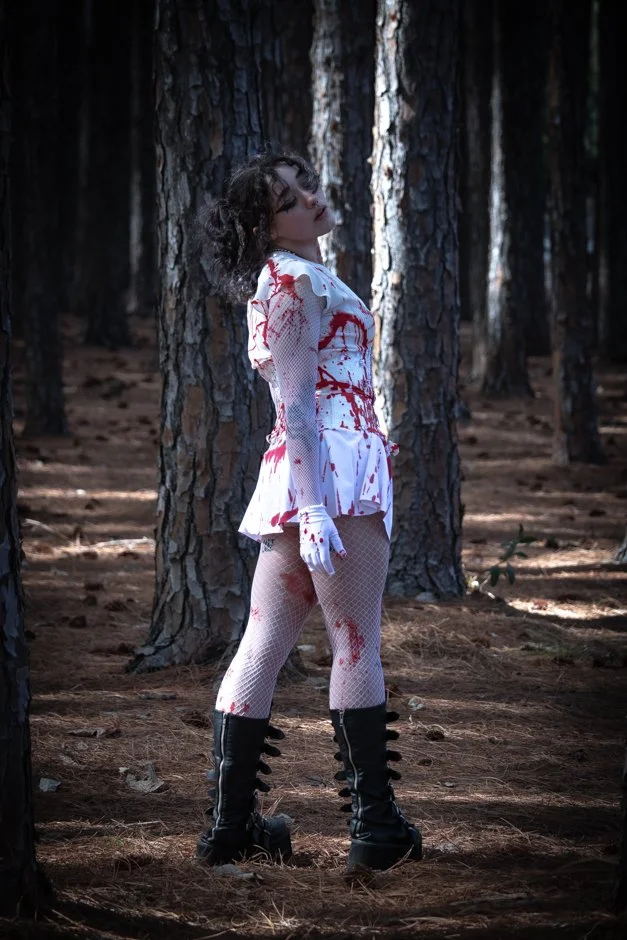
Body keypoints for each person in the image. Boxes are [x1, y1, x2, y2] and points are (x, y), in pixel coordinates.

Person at [196, 150, 422, 872]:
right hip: (331, 471)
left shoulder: (298, 277)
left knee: (262, 645)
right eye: (288, 200)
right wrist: (317, 508)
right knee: (354, 643)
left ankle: (230, 831)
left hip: (308, 471)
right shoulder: (292, 280)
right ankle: (375, 828)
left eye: (307, 185)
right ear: (267, 226)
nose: (310, 200)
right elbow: (295, 402)